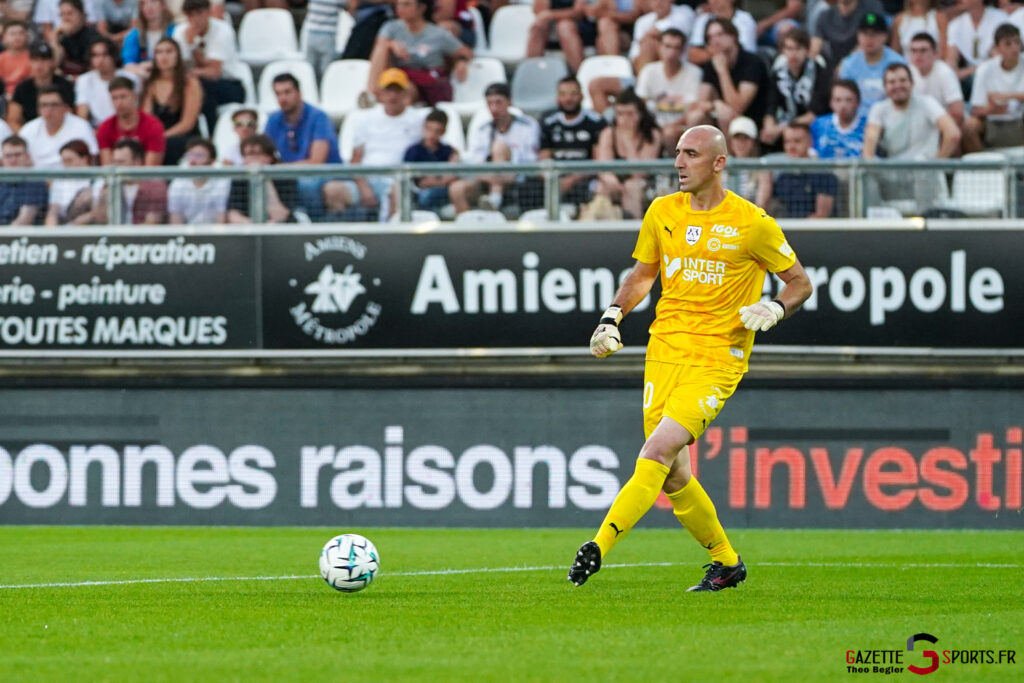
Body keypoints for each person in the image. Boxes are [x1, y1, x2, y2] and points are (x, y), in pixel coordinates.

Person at [568, 124, 813, 592]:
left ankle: (598, 546)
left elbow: (800, 281)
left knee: (657, 451)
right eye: (677, 153)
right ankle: (726, 561)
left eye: (691, 154)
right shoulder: (662, 212)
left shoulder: (752, 222)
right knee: (673, 473)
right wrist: (610, 318)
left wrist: (776, 307)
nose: (679, 163)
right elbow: (642, 275)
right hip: (663, 353)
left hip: (717, 357)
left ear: (719, 163)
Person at [863, 63, 961, 210]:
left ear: (912, 83)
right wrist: (870, 165)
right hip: (893, 176)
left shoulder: (927, 103)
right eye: (892, 82)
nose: (898, 86)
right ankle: (874, 225)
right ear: (885, 87)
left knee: (923, 169)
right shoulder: (879, 109)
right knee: (866, 176)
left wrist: (935, 165)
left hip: (925, 176)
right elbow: (870, 141)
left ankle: (925, 220)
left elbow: (953, 134)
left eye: (902, 80)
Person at [264, 72, 354, 219]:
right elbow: (266, 155)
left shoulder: (318, 117)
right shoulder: (273, 120)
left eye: (287, 92)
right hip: (290, 176)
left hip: (326, 175)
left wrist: (280, 168)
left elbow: (316, 162)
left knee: (306, 185)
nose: (283, 98)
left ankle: (313, 227)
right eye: (278, 94)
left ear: (299, 93)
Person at [451, 81, 542, 215]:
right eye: (489, 103)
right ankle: (467, 229)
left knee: (498, 147)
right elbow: (476, 162)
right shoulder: (482, 130)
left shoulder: (527, 126)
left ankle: (495, 200)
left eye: (498, 102)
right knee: (456, 189)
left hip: (515, 179)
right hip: (486, 178)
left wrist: (504, 170)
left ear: (509, 102)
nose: (494, 108)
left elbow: (530, 160)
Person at [349, 67, 426, 219]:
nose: (392, 96)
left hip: (400, 180)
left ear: (405, 93)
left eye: (397, 91)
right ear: (380, 93)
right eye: (388, 90)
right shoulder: (366, 119)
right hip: (368, 179)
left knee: (395, 191)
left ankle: (390, 239)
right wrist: (364, 187)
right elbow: (355, 160)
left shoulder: (416, 120)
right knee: (334, 191)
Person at [368, 0, 472, 105]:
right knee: (381, 50)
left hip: (426, 78)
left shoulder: (438, 34)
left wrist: (461, 61)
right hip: (399, 75)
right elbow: (380, 44)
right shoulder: (391, 27)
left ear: (421, 8)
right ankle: (371, 94)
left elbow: (465, 52)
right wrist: (391, 44)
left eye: (406, 4)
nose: (400, 8)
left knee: (405, 88)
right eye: (398, 5)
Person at [686, 18, 770, 134]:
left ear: (733, 36)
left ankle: (728, 153)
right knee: (696, 116)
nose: (715, 41)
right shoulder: (712, 63)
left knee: (724, 116)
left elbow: (737, 107)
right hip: (721, 116)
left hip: (752, 121)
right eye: (710, 38)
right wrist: (715, 104)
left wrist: (723, 71)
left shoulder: (752, 63)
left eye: (720, 34)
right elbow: (701, 102)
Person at [172, 0, 245, 133]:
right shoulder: (180, 31)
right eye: (190, 15)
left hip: (230, 84)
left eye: (199, 14)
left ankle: (212, 133)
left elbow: (215, 71)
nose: (195, 20)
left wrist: (191, 46)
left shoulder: (222, 30)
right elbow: (179, 66)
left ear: (208, 12)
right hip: (196, 83)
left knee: (202, 89)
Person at [593, 87, 662, 219]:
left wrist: (627, 141)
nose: (624, 119)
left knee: (632, 187)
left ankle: (634, 230)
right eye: (620, 114)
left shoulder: (652, 135)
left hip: (645, 184)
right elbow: (604, 167)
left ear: (640, 114)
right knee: (602, 188)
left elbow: (640, 172)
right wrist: (612, 182)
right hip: (615, 181)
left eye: (630, 114)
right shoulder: (608, 133)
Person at [539, 75, 606, 207]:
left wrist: (573, 179)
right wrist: (554, 180)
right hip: (556, 177)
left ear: (582, 96)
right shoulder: (548, 123)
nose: (568, 99)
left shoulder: (596, 122)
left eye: (573, 94)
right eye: (563, 94)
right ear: (557, 97)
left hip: (585, 178)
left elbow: (599, 161)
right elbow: (544, 159)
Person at [630, 28, 701, 149]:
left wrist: (656, 101)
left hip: (682, 127)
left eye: (676, 48)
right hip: (652, 126)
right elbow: (640, 101)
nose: (671, 53)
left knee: (670, 133)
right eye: (667, 46)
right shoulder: (648, 71)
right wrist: (678, 102)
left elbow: (693, 107)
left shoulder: (694, 72)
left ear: (683, 50)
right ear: (659, 46)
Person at [761, 27, 832, 149]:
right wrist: (769, 128)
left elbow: (813, 114)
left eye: (798, 49)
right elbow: (770, 107)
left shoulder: (820, 73)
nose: (793, 54)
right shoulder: (778, 74)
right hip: (785, 126)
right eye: (789, 49)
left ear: (807, 51)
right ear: (783, 51)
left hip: (812, 128)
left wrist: (779, 129)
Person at [140, 37, 202, 164]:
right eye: (159, 52)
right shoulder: (150, 84)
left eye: (169, 51)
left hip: (184, 137)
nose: (164, 56)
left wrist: (162, 136)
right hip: (157, 135)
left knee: (169, 145)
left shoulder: (190, 83)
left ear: (177, 55)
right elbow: (146, 118)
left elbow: (188, 123)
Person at [963, 22, 1024, 151]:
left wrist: (1008, 96)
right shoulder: (985, 69)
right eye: (1008, 44)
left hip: (1020, 121)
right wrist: (992, 109)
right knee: (969, 125)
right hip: (993, 122)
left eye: (1017, 42)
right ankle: (982, 165)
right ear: (997, 48)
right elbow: (976, 109)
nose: (1014, 48)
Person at [838, 12, 907, 118]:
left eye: (875, 33)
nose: (869, 38)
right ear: (858, 36)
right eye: (865, 33)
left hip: (889, 118)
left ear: (885, 36)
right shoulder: (849, 64)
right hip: (857, 120)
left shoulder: (897, 63)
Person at [19, 85, 99, 169]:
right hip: (36, 179)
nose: (48, 109)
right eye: (44, 105)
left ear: (65, 107)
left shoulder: (81, 127)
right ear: (38, 109)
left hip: (71, 179)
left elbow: (92, 159)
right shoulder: (28, 129)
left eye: (54, 104)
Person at [768, 122, 839, 217]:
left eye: (797, 141)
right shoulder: (783, 177)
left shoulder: (824, 174)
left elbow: (821, 216)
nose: (791, 146)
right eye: (787, 142)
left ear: (810, 142)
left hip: (812, 230)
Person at [91, 138, 168, 223]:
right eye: (114, 162)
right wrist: (105, 193)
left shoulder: (155, 186)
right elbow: (99, 220)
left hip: (140, 235)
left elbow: (152, 224)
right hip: (114, 235)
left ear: (137, 162)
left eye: (121, 162)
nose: (116, 167)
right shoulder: (111, 185)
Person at [226, 133, 298, 223]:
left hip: (280, 229)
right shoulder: (239, 180)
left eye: (258, 154)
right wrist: (253, 227)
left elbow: (281, 215)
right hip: (247, 229)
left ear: (270, 157)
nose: (253, 159)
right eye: (249, 154)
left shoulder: (285, 178)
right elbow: (233, 214)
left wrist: (265, 180)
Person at [96, 76, 166, 165]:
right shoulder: (105, 128)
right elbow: (107, 166)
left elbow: (151, 168)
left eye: (123, 97)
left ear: (134, 97)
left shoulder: (153, 125)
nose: (119, 103)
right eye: (114, 98)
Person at [403, 107, 460, 212]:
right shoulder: (414, 151)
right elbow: (421, 183)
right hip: (420, 193)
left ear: (443, 132)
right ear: (424, 128)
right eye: (429, 129)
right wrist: (442, 179)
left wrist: (436, 180)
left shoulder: (448, 151)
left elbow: (453, 176)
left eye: (437, 131)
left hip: (443, 192)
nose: (432, 135)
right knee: (425, 197)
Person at [75, 36, 138, 127]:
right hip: (97, 130)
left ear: (113, 56)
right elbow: (82, 116)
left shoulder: (130, 77)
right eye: (95, 55)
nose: (100, 60)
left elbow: (136, 109)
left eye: (105, 55)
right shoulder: (84, 80)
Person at [810, 0, 886, 72]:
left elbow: (870, 39)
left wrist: (846, 64)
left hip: (862, 65)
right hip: (833, 67)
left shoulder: (870, 7)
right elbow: (815, 46)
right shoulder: (825, 16)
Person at [946, 0, 1010, 85]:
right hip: (967, 79)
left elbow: (1000, 58)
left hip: (995, 77)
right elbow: (951, 61)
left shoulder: (1000, 18)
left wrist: (971, 71)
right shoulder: (955, 24)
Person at [167, 136, 229, 223]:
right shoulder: (178, 183)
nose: (193, 160)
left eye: (199, 155)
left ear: (212, 161)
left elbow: (221, 219)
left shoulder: (222, 182)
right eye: (189, 155)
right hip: (186, 233)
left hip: (214, 233)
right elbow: (176, 219)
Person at [908, 32, 965, 125]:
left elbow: (957, 112)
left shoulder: (945, 72)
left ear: (935, 53)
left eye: (923, 50)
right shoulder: (908, 72)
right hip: (918, 123)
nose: (918, 55)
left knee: (970, 125)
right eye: (914, 51)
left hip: (945, 122)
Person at [526, 0, 592, 74]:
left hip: (579, 25)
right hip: (551, 26)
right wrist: (549, 16)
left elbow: (579, 12)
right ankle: (531, 73)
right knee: (538, 26)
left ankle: (581, 74)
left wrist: (552, 15)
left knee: (564, 26)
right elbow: (539, 11)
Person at [628, 0, 694, 73]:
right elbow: (634, 54)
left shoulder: (685, 11)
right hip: (645, 63)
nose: (659, 3)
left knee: (650, 42)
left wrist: (649, 36)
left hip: (678, 64)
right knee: (647, 44)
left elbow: (672, 34)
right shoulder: (642, 21)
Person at [687, 0, 758, 65]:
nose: (712, 1)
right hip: (710, 70)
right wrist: (724, 51)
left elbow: (742, 55)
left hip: (742, 71)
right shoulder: (703, 19)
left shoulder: (745, 19)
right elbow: (693, 56)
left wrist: (708, 52)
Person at [811, 79, 868, 158]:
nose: (843, 105)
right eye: (838, 100)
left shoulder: (868, 127)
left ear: (858, 103)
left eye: (849, 100)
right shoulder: (819, 125)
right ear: (831, 103)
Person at [45, 139, 96, 225]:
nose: (66, 165)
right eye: (64, 161)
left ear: (84, 159)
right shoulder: (59, 182)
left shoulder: (98, 179)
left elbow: (98, 212)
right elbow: (53, 211)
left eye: (70, 160)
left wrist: (75, 224)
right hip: (65, 224)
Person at [0, 136, 49, 225]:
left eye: (17, 155)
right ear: (2, 159)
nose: (13, 160)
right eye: (8, 156)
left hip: (19, 236)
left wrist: (3, 237)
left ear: (27, 157)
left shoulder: (35, 183)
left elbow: (25, 219)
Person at [724, 115, 771, 205]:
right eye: (737, 138)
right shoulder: (721, 165)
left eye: (745, 138)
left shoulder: (761, 168)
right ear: (731, 141)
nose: (741, 143)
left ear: (753, 142)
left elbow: (761, 204)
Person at [121, 0, 176, 79]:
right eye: (144, 3)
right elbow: (128, 64)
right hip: (143, 78)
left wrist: (153, 65)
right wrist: (141, 71)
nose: (148, 6)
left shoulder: (175, 31)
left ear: (163, 5)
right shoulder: (134, 35)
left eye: (153, 1)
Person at [54, 0, 103, 77]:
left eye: (70, 14)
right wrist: (55, 38)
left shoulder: (93, 37)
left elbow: (95, 69)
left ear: (82, 15)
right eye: (62, 14)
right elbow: (53, 65)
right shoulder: (61, 37)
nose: (66, 18)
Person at [305, 0, 348, 80]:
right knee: (326, 72)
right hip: (327, 36)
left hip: (311, 34)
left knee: (310, 71)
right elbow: (350, 6)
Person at [0, 20, 32, 98]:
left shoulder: (34, 58)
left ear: (27, 36)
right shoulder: (1, 59)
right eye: (12, 34)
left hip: (28, 94)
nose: (17, 37)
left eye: (20, 33)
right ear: (4, 38)